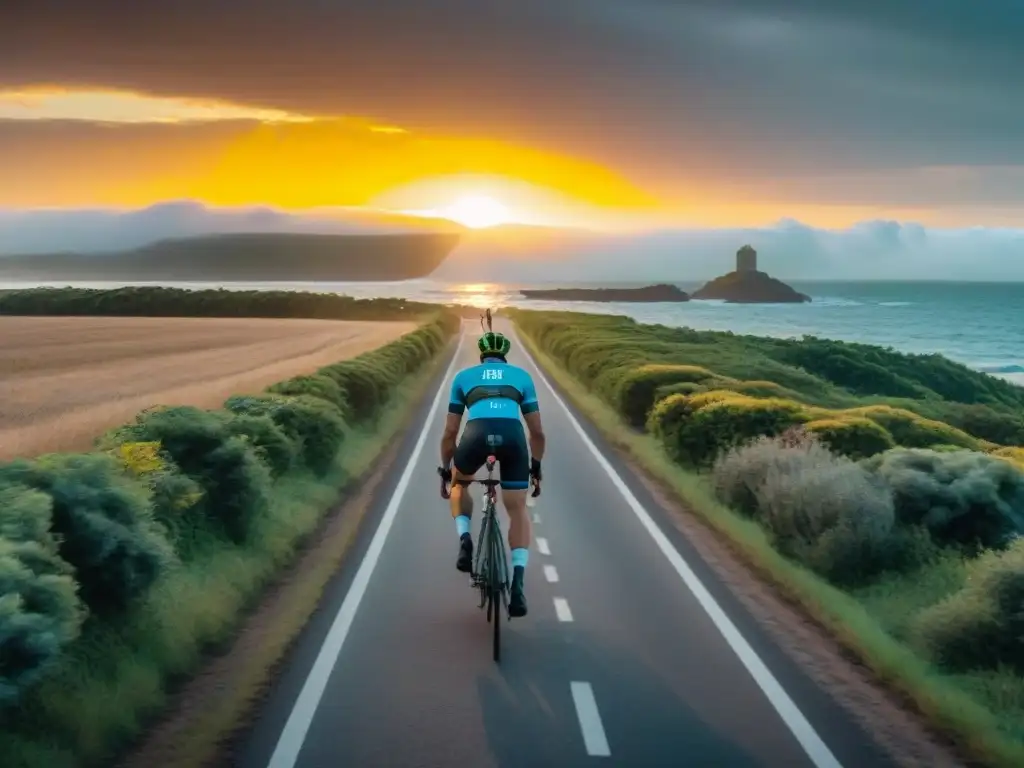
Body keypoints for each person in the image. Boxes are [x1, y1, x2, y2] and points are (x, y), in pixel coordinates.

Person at [437, 330, 545, 617]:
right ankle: (518, 584)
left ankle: (465, 539)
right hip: (513, 440)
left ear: (481, 353)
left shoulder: (463, 378)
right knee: (517, 508)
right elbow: (537, 432)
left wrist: (447, 471)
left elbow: (449, 432)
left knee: (461, 485)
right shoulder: (522, 377)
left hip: (475, 436)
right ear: (504, 354)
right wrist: (535, 468)